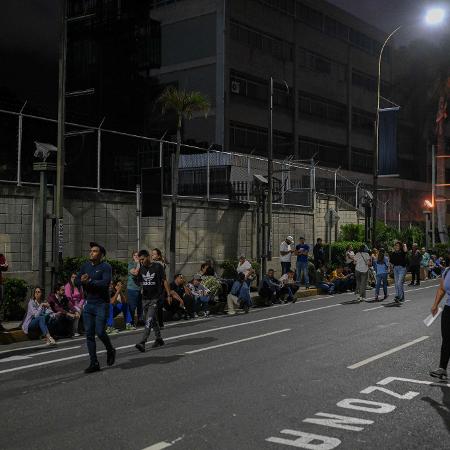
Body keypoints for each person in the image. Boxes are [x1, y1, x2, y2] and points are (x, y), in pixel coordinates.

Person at [77, 242, 116, 374]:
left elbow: (105, 283)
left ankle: (110, 349)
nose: (91, 252)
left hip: (101, 304)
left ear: (101, 254)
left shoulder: (106, 267)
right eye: (91, 250)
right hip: (89, 304)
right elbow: (76, 280)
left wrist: (90, 281)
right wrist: (81, 280)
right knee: (89, 334)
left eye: (94, 251)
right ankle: (94, 362)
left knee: (100, 332)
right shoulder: (85, 266)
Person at [133, 249, 170, 353]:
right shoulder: (141, 269)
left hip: (155, 298)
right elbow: (139, 283)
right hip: (145, 299)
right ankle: (159, 339)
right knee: (151, 319)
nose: (141, 261)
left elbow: (164, 280)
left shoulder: (158, 267)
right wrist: (135, 276)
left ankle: (142, 342)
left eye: (142, 259)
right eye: (139, 260)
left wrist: (168, 294)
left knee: (148, 319)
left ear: (148, 257)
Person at [429, 267, 450, 379]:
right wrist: (435, 304)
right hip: (448, 309)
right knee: (446, 339)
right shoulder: (447, 271)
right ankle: (442, 369)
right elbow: (442, 289)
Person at [151, 248, 169, 329]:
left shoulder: (160, 265)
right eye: (152, 254)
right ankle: (157, 323)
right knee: (154, 306)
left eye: (154, 254)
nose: (152, 255)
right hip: (152, 287)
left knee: (158, 306)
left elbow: (164, 279)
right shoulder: (152, 264)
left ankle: (160, 323)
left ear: (158, 256)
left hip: (159, 288)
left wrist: (168, 293)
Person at [127, 250, 142, 327]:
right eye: (134, 255)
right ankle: (131, 322)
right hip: (132, 289)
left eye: (138, 255)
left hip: (140, 289)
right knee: (132, 307)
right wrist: (138, 263)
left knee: (140, 306)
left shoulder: (141, 265)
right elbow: (135, 273)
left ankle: (140, 321)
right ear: (132, 257)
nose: (136, 256)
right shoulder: (131, 264)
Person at [0, 253, 8, 331]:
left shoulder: (1, 256)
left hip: (0, 283)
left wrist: (5, 265)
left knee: (1, 303)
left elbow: (5, 267)